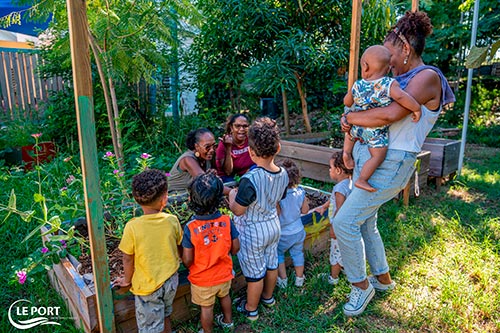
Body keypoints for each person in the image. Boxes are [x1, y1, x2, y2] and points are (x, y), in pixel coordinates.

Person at [335, 11, 455, 317]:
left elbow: (389, 116)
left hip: (393, 162)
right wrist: (352, 125)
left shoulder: (426, 77)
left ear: (405, 48)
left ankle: (360, 287)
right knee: (366, 221)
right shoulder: (392, 80)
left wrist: (349, 119)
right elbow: (367, 109)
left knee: (344, 222)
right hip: (374, 157)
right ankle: (383, 279)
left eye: (388, 52)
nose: (384, 61)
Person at [228, 117, 289, 321]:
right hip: (273, 225)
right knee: (271, 263)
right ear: (278, 148)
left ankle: (251, 308)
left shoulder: (249, 180)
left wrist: (231, 197)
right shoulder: (284, 174)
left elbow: (238, 211)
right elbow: (278, 197)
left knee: (255, 273)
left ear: (251, 152)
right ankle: (268, 298)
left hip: (253, 231)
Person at [343, 44, 421, 193]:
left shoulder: (357, 85)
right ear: (388, 69)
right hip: (375, 131)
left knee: (349, 134)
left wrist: (352, 101)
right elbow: (401, 97)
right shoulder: (388, 84)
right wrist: (416, 108)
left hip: (357, 127)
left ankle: (346, 153)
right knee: (378, 156)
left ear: (364, 67)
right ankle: (363, 179)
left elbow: (347, 102)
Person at [115, 169, 183, 333]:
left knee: (150, 327)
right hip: (171, 281)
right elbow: (180, 246)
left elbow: (128, 258)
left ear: (137, 200)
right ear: (164, 198)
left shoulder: (132, 227)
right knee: (165, 314)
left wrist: (127, 280)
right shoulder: (172, 220)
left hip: (147, 287)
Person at [181, 173, 240, 333]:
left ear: (192, 198)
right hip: (224, 273)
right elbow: (236, 248)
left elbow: (187, 259)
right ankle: (228, 321)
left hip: (202, 279)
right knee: (225, 297)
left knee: (206, 308)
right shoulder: (227, 221)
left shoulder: (190, 227)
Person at [315, 151, 353, 285]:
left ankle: (333, 278)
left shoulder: (339, 189)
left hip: (339, 226)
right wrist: (324, 207)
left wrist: (334, 228)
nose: (329, 170)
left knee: (336, 253)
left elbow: (340, 210)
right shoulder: (350, 183)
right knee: (345, 250)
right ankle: (347, 270)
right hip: (349, 225)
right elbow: (333, 200)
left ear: (338, 170)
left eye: (330, 168)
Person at [275, 158, 309, 288]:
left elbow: (277, 213)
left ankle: (283, 280)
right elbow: (305, 211)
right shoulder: (300, 192)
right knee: (297, 254)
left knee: (279, 255)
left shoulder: (278, 196)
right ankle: (299, 278)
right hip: (298, 231)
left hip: (282, 233)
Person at [168, 128, 216, 195]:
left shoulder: (207, 156)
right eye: (207, 147)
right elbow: (205, 183)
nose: (212, 150)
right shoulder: (188, 159)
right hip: (176, 197)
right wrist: (231, 192)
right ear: (196, 146)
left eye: (214, 145)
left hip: (193, 195)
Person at [215, 113, 255, 182]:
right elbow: (228, 172)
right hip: (229, 178)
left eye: (245, 126)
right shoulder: (224, 143)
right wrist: (228, 148)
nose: (241, 129)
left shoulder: (251, 139)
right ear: (231, 127)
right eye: (237, 126)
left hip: (248, 174)